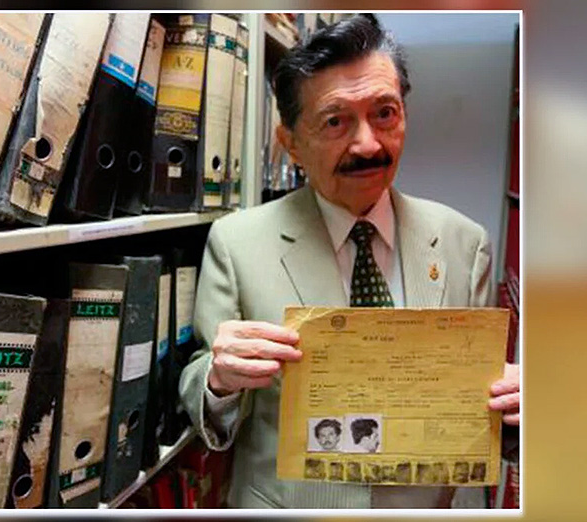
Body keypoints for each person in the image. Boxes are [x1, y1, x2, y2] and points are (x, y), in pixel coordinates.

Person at [178, 14, 520, 508]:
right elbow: (203, 401)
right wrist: (218, 380)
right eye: (335, 121)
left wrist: (514, 410)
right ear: (291, 143)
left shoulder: (465, 244)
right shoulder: (236, 242)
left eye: (385, 113)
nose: (367, 144)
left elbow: (480, 406)